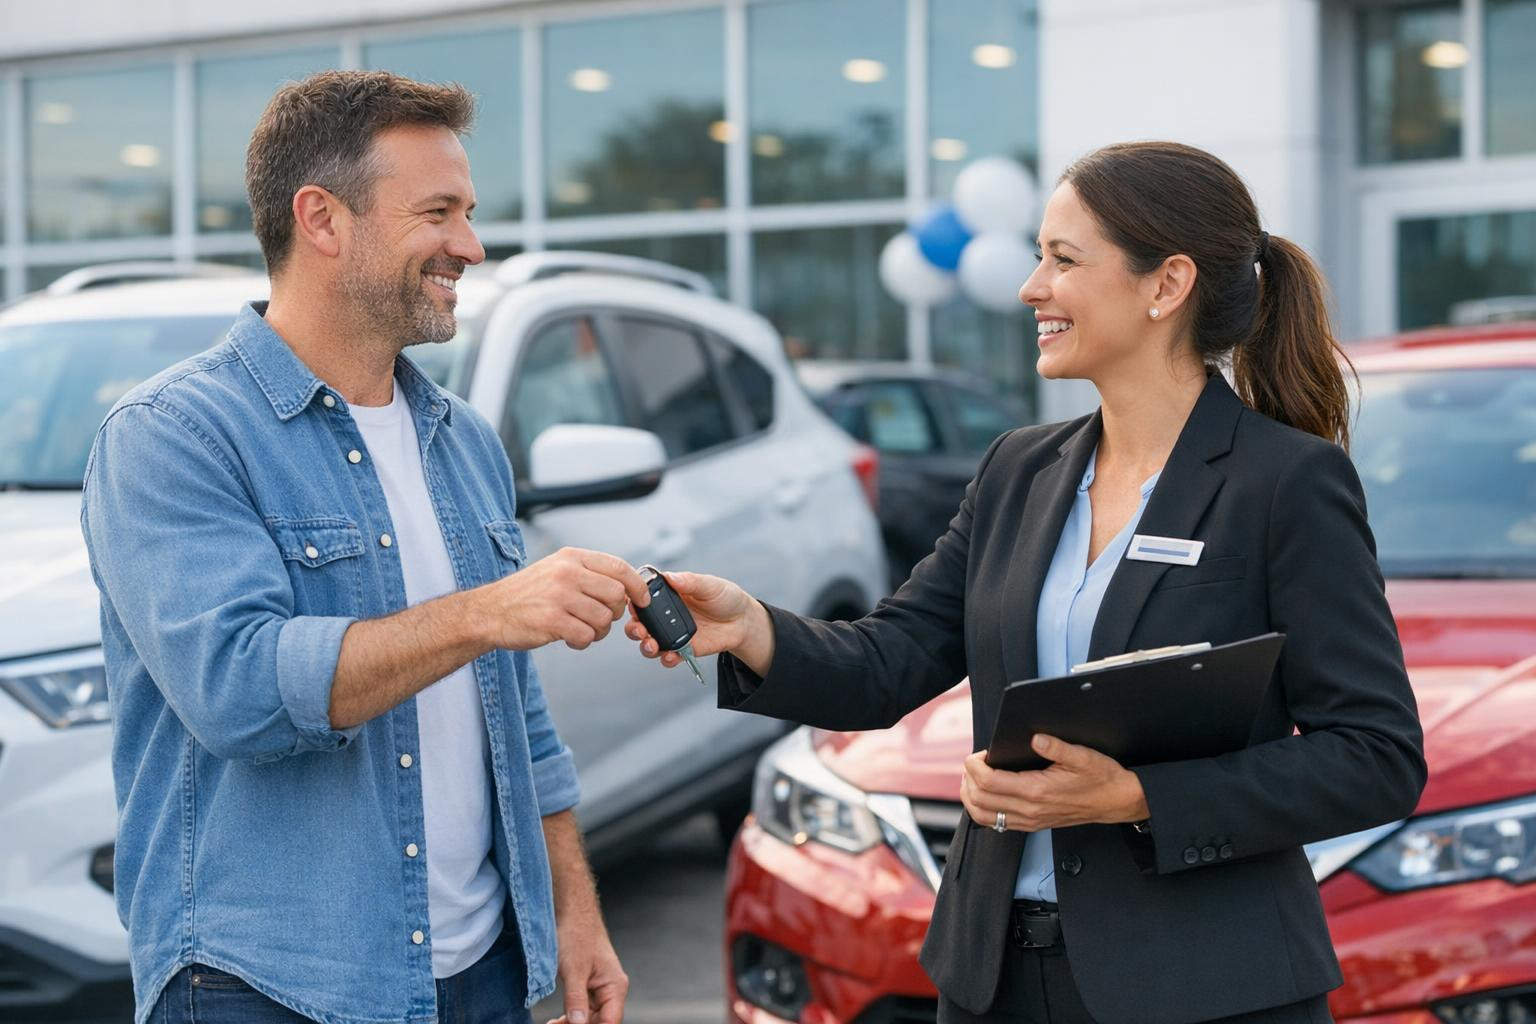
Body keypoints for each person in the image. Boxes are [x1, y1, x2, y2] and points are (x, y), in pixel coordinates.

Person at [626, 141, 1426, 1024]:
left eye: (1063, 259)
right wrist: (749, 628)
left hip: (1202, 990)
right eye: (1038, 254)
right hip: (996, 980)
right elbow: (892, 658)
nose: (1029, 286)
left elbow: (1375, 756)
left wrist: (1137, 798)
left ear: (1166, 287)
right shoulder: (1019, 469)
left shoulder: (1286, 483)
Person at [81, 71, 645, 1024]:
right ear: (322, 219)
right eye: (438, 213)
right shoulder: (171, 435)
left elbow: (517, 712)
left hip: (483, 975)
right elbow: (239, 689)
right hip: (266, 988)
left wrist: (573, 913)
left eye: (466, 213)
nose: (469, 245)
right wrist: (484, 614)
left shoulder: (461, 439)